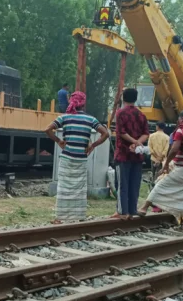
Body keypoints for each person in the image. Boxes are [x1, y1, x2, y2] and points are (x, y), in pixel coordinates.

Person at [138, 109, 183, 234]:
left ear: (182, 119)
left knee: (161, 184)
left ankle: (144, 208)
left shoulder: (181, 130)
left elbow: (174, 149)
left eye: (179, 119)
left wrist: (166, 165)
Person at [44, 91, 109, 224]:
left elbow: (47, 129)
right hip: (81, 158)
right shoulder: (91, 119)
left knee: (63, 187)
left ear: (71, 102)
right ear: (83, 103)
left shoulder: (64, 117)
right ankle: (78, 215)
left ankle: (60, 217)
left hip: (67, 157)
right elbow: (105, 133)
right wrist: (93, 145)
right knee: (79, 188)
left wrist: (58, 140)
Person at [113, 88, 149, 220]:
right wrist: (138, 143)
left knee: (122, 183)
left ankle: (123, 212)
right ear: (136, 98)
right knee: (134, 183)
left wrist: (133, 142)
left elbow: (121, 132)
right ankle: (133, 209)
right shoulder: (141, 115)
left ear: (123, 98)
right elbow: (146, 133)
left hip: (123, 154)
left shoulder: (120, 113)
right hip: (138, 156)